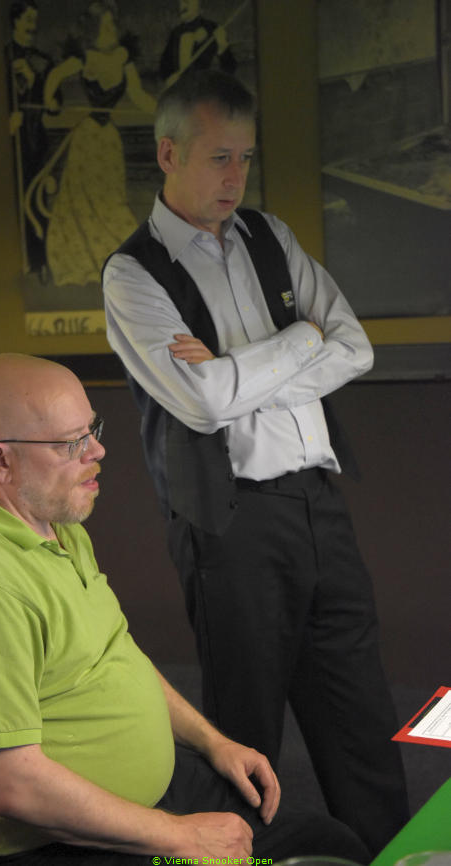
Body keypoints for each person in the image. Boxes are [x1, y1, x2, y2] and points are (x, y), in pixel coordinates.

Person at [102, 70, 409, 857]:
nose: (235, 176)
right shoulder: (133, 274)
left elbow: (356, 348)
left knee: (363, 718)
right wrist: (303, 339)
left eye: (245, 157)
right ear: (168, 154)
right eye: (218, 157)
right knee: (243, 738)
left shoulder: (272, 237)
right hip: (229, 522)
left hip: (320, 505)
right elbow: (203, 404)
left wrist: (242, 370)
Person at [0, 354, 370, 866]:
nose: (98, 450)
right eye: (72, 442)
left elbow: (115, 654)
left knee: (330, 846)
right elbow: (16, 788)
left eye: (92, 429)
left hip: (149, 798)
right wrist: (180, 837)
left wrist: (212, 741)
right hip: (51, 842)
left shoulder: (53, 523)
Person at [38, 0, 156, 294]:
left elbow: (138, 94)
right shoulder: (83, 58)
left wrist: (162, 111)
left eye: (112, 24)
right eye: (105, 26)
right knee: (80, 201)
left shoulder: (123, 60)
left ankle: (120, 265)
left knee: (111, 201)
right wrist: (49, 99)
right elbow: (54, 76)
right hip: (87, 139)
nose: (111, 30)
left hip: (108, 142)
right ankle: (86, 264)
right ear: (93, 30)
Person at [5, 0, 52, 276]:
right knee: (13, 202)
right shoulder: (2, 57)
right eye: (27, 20)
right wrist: (6, 118)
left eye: (35, 21)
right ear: (15, 21)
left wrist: (35, 82)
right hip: (9, 143)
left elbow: (53, 102)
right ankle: (15, 262)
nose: (32, 27)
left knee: (37, 201)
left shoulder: (41, 60)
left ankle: (39, 261)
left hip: (35, 142)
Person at [159, 0, 237, 86]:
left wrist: (222, 47)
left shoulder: (212, 28)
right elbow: (164, 66)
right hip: (181, 89)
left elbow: (230, 68)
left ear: (198, 3)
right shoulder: (176, 33)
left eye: (186, 1)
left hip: (205, 88)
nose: (182, 6)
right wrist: (169, 78)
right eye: (180, 2)